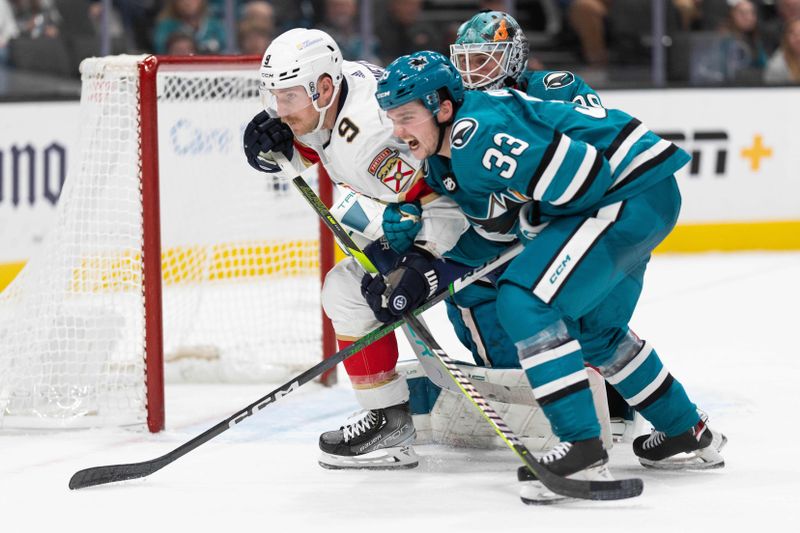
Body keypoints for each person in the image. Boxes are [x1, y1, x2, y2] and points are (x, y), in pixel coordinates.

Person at [372, 50, 728, 503]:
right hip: (645, 195)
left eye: (407, 116)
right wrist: (430, 273)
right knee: (597, 332)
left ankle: (582, 446)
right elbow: (494, 234)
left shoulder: (476, 133)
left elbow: (585, 178)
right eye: (392, 118)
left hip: (627, 194)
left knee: (524, 299)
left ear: (443, 107)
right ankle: (685, 428)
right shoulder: (447, 162)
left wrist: (531, 219)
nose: (398, 131)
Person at [241, 28, 468, 470]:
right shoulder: (338, 88)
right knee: (346, 290)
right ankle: (388, 418)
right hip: (414, 219)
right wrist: (283, 149)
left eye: (288, 98)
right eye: (273, 96)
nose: (278, 110)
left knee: (354, 291)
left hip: (469, 231)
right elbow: (323, 144)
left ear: (323, 88)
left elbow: (444, 201)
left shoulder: (370, 135)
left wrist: (419, 262)